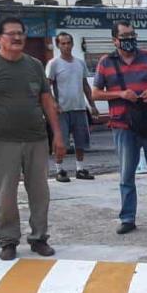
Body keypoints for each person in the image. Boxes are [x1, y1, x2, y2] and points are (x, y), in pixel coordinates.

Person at [92, 20, 147, 235]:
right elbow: (96, 93)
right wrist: (120, 94)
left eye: (132, 36)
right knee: (126, 174)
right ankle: (127, 218)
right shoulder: (106, 62)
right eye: (125, 37)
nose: (129, 40)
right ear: (115, 40)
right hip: (122, 126)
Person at [0, 16, 66, 261]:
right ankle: (8, 240)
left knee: (39, 192)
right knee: (5, 194)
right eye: (11, 33)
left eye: (21, 33)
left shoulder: (35, 65)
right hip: (3, 141)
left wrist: (57, 135)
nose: (17, 38)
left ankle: (39, 238)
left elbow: (47, 101)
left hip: (36, 138)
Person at [47, 31, 100, 182]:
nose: (66, 46)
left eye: (68, 43)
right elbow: (47, 86)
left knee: (81, 140)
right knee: (61, 142)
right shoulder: (54, 64)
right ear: (58, 45)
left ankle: (80, 169)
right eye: (63, 43)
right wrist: (54, 103)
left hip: (79, 108)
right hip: (62, 110)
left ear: (72, 44)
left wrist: (92, 105)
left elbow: (85, 85)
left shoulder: (80, 63)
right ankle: (59, 170)